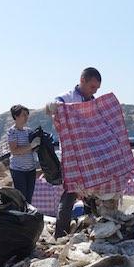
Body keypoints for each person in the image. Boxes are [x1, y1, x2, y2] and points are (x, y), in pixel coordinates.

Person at [45, 67, 101, 238]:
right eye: (92, 87)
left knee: (92, 191)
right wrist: (52, 107)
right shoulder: (66, 98)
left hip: (90, 154)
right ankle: (60, 234)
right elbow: (49, 109)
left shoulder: (93, 102)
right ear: (82, 80)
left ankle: (93, 227)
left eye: (97, 89)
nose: (94, 91)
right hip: (72, 156)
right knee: (70, 192)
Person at [6, 105, 37, 204]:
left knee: (29, 197)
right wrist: (31, 146)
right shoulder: (12, 132)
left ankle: (27, 217)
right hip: (18, 170)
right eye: (24, 115)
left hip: (31, 169)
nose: (26, 117)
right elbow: (14, 151)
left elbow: (31, 149)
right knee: (21, 197)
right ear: (16, 116)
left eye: (27, 115)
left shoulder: (28, 131)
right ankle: (21, 217)